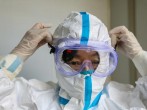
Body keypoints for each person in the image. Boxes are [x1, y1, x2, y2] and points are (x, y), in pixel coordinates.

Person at [0, 11, 147, 110]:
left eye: (95, 62)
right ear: (59, 61)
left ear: (105, 62)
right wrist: (20, 53)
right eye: (76, 62)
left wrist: (139, 55)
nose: (86, 70)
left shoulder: (127, 99)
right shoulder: (34, 97)